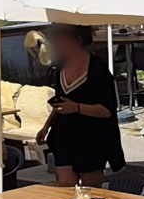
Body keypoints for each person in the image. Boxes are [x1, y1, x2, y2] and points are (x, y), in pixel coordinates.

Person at [43, 21, 123, 186]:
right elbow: (60, 103)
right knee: (65, 188)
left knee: (91, 189)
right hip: (63, 135)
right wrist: (46, 127)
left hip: (90, 138)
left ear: (77, 40)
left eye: (60, 38)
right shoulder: (59, 69)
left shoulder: (98, 69)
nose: (56, 43)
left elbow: (107, 110)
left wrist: (77, 108)